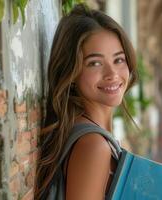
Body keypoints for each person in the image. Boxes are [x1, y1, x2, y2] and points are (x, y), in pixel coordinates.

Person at [35, 4, 138, 199]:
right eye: (95, 63)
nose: (112, 74)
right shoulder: (93, 145)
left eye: (119, 60)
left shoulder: (85, 132)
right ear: (71, 73)